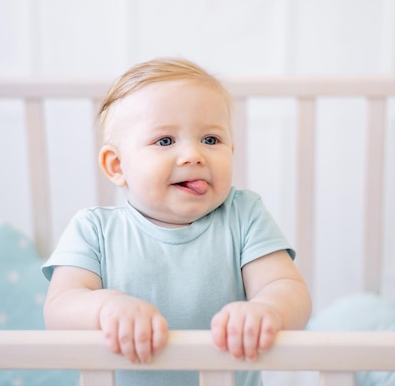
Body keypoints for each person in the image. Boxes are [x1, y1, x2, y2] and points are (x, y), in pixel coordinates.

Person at [42, 57, 312, 386]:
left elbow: (287, 288)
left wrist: (267, 309)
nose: (193, 155)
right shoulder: (94, 230)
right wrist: (106, 308)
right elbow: (59, 309)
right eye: (165, 141)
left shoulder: (244, 215)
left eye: (211, 140)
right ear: (116, 166)